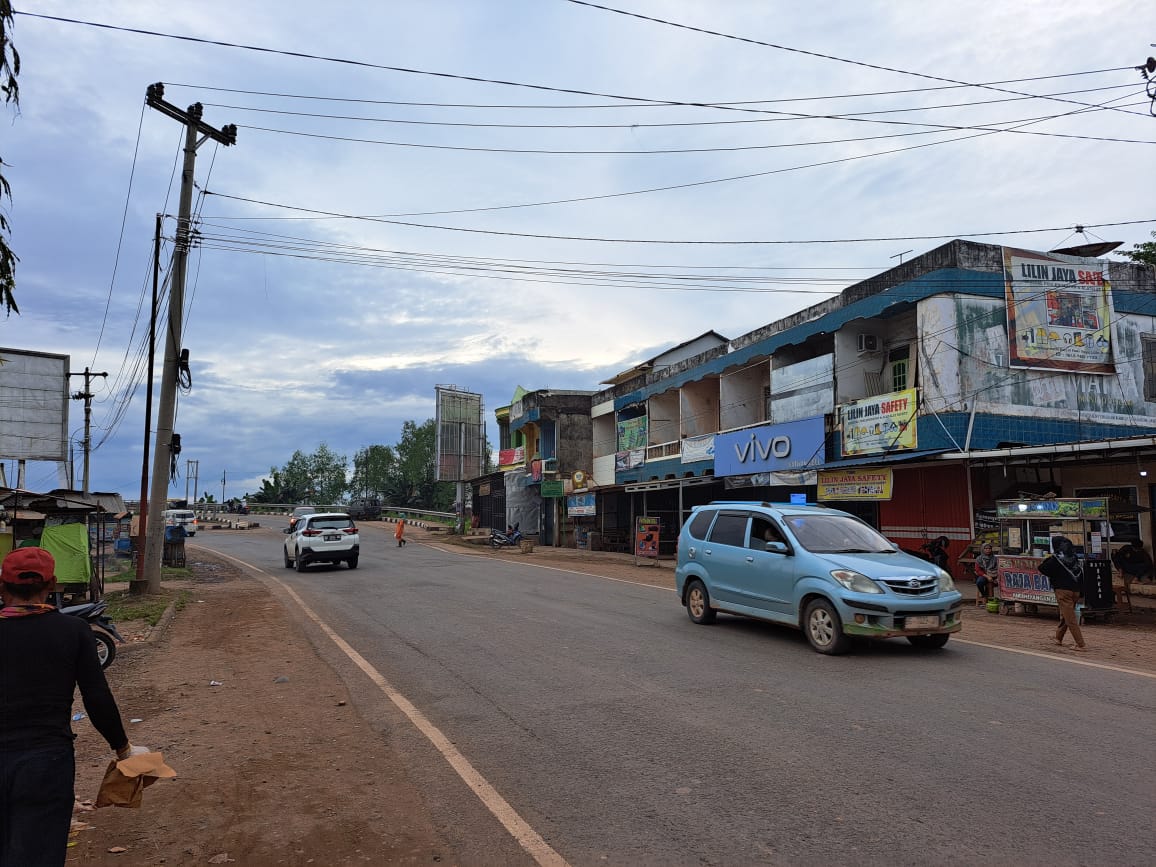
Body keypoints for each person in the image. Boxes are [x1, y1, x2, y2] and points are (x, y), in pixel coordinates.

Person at [0, 548, 145, 865]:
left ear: (1, 587)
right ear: (51, 585)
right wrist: (123, 749)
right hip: (46, 763)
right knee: (37, 853)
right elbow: (97, 697)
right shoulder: (73, 631)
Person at [1037, 536, 1086, 651]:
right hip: (1075, 591)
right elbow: (1081, 574)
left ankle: (1080, 644)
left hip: (1063, 592)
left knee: (1070, 619)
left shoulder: (1056, 560)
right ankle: (1058, 638)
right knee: (1066, 615)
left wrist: (1051, 557)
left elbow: (1042, 568)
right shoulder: (1074, 558)